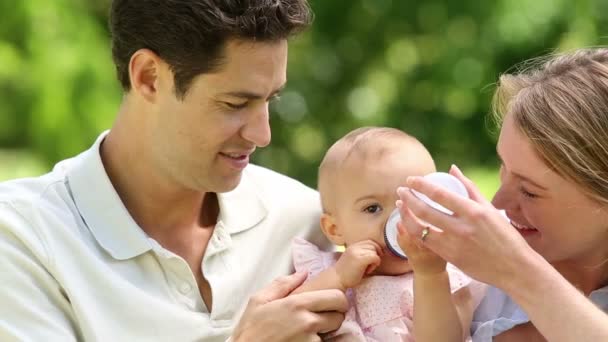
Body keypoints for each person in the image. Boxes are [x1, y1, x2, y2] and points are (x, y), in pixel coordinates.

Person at [0, 1, 349, 341]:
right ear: (149, 77)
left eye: (270, 100)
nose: (262, 134)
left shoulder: (306, 221)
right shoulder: (23, 239)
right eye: (235, 104)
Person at [396, 48, 608, 341]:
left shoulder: (502, 260)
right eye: (503, 168)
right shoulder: (470, 268)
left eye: (529, 192)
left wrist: (518, 272)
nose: (498, 203)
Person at [291, 127, 483, 341]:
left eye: (414, 203)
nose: (398, 221)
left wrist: (430, 275)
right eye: (372, 208)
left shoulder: (445, 277)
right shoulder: (325, 271)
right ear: (335, 229)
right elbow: (287, 320)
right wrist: (337, 278)